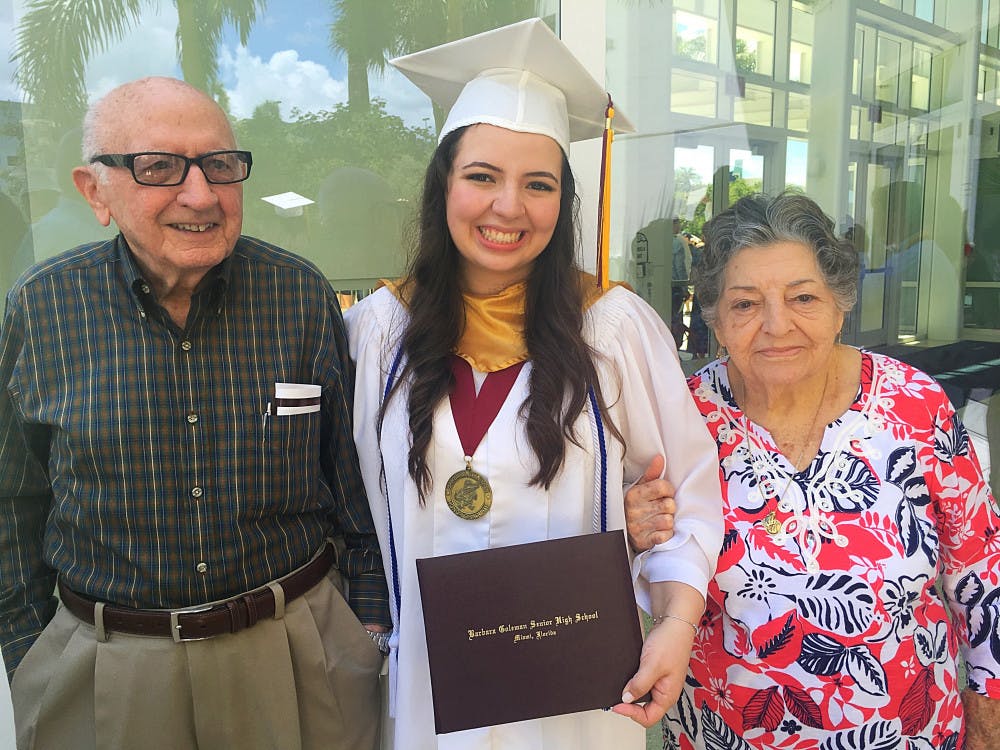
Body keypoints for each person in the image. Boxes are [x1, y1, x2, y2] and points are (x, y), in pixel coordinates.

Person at [344, 18, 724, 749]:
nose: (508, 206)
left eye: (537, 184)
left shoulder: (612, 332)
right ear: (443, 184)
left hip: (579, 706)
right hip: (423, 699)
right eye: (482, 176)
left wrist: (675, 622)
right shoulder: (378, 334)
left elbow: (685, 500)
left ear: (564, 200)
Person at [0, 76, 389, 750]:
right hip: (109, 668)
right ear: (95, 191)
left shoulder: (298, 295)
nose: (201, 194)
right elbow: (13, 501)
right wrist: (31, 649)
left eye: (220, 166)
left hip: (293, 652)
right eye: (159, 168)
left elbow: (351, 478)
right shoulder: (41, 309)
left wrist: (367, 623)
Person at [625, 192, 1000, 749]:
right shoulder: (682, 420)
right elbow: (641, 569)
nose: (777, 325)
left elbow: (981, 572)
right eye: (746, 304)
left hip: (911, 732)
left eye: (803, 297)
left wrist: (987, 722)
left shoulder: (914, 406)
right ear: (715, 319)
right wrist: (631, 531)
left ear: (840, 305)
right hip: (727, 734)